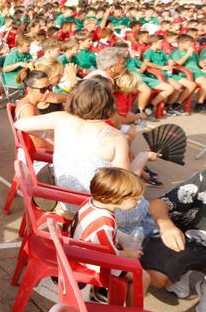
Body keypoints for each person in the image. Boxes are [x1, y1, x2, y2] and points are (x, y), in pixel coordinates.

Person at [14, 78, 158, 214]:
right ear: (108, 104)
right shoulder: (116, 137)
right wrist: (143, 156)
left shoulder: (61, 118)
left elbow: (19, 123)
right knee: (145, 206)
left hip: (63, 196)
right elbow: (122, 185)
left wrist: (49, 136)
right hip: (95, 205)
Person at [71, 167, 150, 305]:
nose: (138, 202)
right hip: (92, 263)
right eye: (135, 199)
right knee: (143, 277)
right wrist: (129, 254)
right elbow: (111, 257)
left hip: (81, 250)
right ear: (117, 198)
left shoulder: (92, 204)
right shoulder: (104, 222)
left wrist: (123, 239)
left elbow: (107, 235)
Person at [144, 168, 206, 312]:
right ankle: (183, 271)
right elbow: (158, 204)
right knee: (156, 277)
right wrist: (166, 225)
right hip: (186, 240)